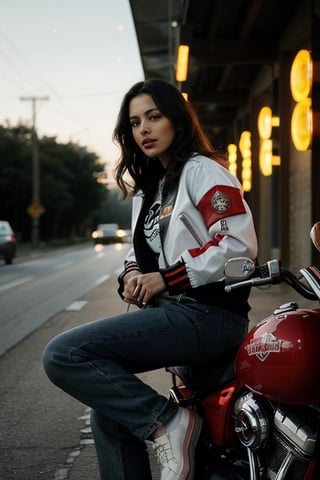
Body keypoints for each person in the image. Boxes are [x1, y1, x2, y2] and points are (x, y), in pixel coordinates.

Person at [43, 79, 258, 480]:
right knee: (109, 413)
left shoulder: (202, 170)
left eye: (154, 117)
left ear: (176, 119)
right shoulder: (149, 189)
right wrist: (133, 277)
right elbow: (137, 253)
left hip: (208, 316)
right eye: (135, 122)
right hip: (176, 315)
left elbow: (237, 246)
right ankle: (166, 425)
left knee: (64, 354)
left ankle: (169, 424)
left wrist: (168, 278)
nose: (143, 129)